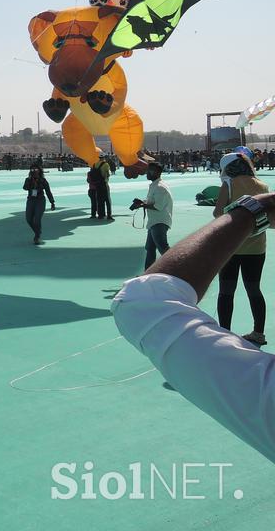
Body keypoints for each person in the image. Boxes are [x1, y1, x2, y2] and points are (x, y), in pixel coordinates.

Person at [112, 191, 275, 463]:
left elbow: (139, 301)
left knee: (233, 290)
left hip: (240, 242)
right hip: (248, 247)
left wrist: (254, 209)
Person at [213, 152, 269, 345]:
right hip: (256, 247)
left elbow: (218, 213)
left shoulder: (229, 184)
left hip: (231, 248)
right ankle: (259, 333)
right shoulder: (262, 185)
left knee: (226, 290)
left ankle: (224, 334)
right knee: (254, 289)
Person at [131, 160, 172, 269]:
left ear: (158, 173)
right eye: (148, 170)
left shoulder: (160, 187)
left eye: (150, 171)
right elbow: (151, 201)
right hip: (154, 222)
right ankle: (148, 272)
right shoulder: (154, 185)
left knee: (164, 249)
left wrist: (142, 206)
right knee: (150, 248)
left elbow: (158, 206)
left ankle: (179, 269)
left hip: (159, 222)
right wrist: (142, 202)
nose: (147, 173)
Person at [22, 166, 55, 245]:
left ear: (39, 171)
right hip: (30, 200)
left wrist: (52, 202)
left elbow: (48, 192)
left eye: (36, 169)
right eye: (32, 170)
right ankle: (37, 231)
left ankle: (37, 236)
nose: (34, 171)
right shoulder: (28, 179)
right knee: (28, 219)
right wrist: (31, 181)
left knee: (37, 219)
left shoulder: (43, 180)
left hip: (40, 201)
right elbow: (25, 188)